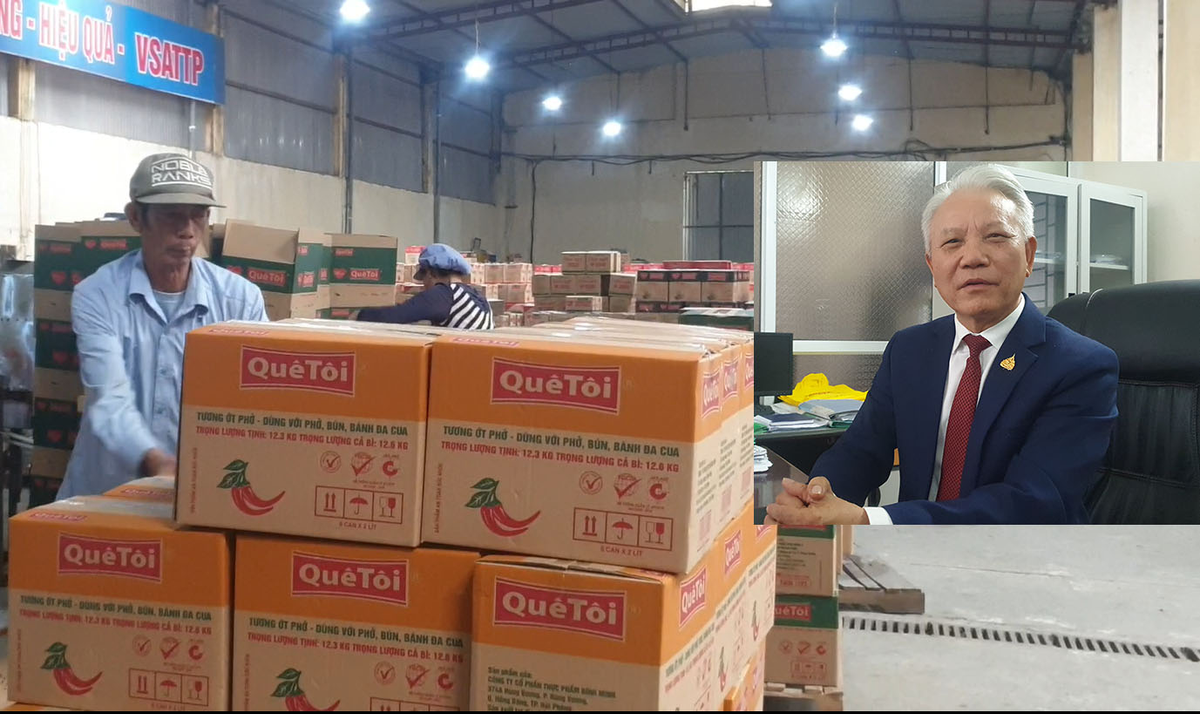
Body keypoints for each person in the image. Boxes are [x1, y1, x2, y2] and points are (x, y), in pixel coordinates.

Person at [765, 164, 1119, 526]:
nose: (973, 257)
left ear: (1028, 256)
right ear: (933, 266)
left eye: (995, 236)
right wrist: (818, 495)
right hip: (909, 547)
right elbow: (861, 449)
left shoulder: (1080, 366)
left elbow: (1034, 502)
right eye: (952, 242)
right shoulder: (909, 349)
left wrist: (870, 521)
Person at [57, 153, 268, 498]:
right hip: (107, 493)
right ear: (136, 217)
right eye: (172, 215)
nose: (188, 231)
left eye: (198, 215)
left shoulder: (240, 301)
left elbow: (257, 400)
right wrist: (157, 463)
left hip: (202, 491)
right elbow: (108, 396)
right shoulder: (99, 295)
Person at [356, 243, 494, 329]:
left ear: (431, 274)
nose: (424, 286)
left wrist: (358, 314)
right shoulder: (477, 296)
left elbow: (397, 315)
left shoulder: (443, 295)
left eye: (423, 279)